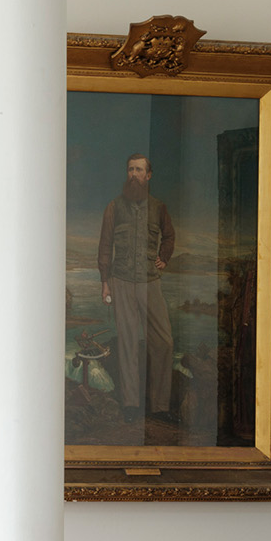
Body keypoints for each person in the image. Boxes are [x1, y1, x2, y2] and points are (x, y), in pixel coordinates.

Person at [96, 152, 176, 426]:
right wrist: (105, 281)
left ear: (148, 175)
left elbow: (169, 235)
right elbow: (106, 245)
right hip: (121, 281)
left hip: (150, 281)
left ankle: (160, 405)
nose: (134, 174)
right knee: (128, 343)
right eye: (130, 169)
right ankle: (131, 404)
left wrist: (164, 256)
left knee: (164, 342)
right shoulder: (114, 207)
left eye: (139, 170)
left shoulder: (159, 207)